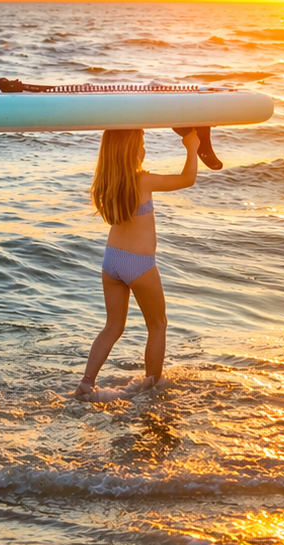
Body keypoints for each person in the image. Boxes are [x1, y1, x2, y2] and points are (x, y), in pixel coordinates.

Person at [75, 127, 200, 400]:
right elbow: (187, 178)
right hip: (139, 264)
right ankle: (151, 388)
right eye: (142, 143)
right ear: (132, 149)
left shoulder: (107, 182)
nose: (145, 149)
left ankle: (86, 383)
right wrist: (192, 147)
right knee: (158, 325)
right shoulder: (142, 181)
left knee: (112, 327)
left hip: (111, 261)